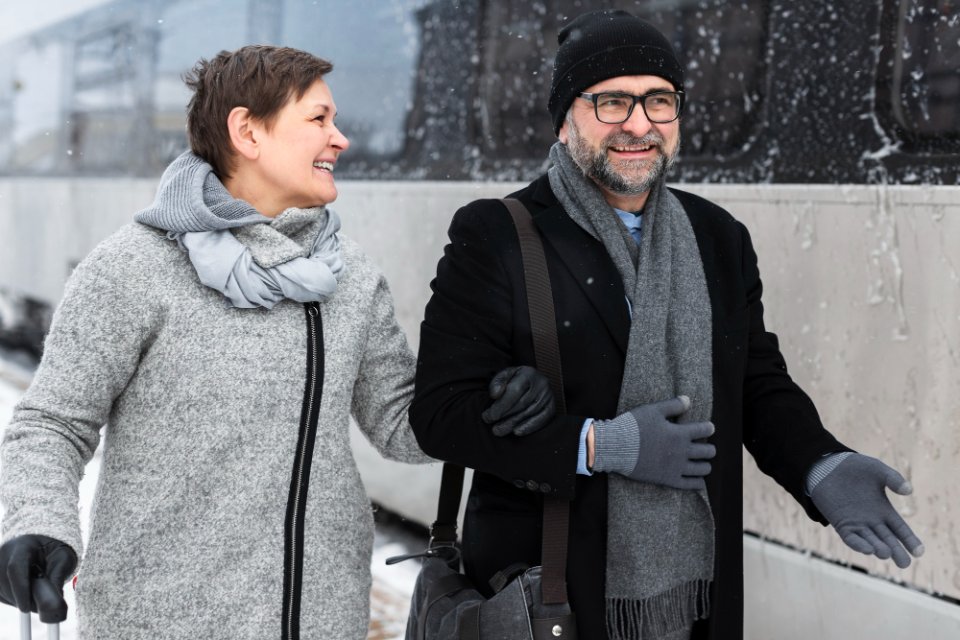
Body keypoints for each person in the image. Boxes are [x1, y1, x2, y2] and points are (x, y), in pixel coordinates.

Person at [0, 45, 550, 639]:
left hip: (321, 620)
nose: (341, 139)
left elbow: (400, 422)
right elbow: (54, 422)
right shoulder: (132, 269)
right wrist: (38, 522)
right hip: (158, 621)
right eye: (318, 119)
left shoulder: (348, 277)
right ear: (247, 132)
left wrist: (487, 401)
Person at [409, 10, 924, 640]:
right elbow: (439, 415)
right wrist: (597, 445)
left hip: (694, 597)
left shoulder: (717, 237)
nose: (638, 124)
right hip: (551, 592)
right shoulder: (497, 233)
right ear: (566, 120)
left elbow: (755, 384)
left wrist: (820, 465)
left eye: (658, 100)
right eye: (611, 102)